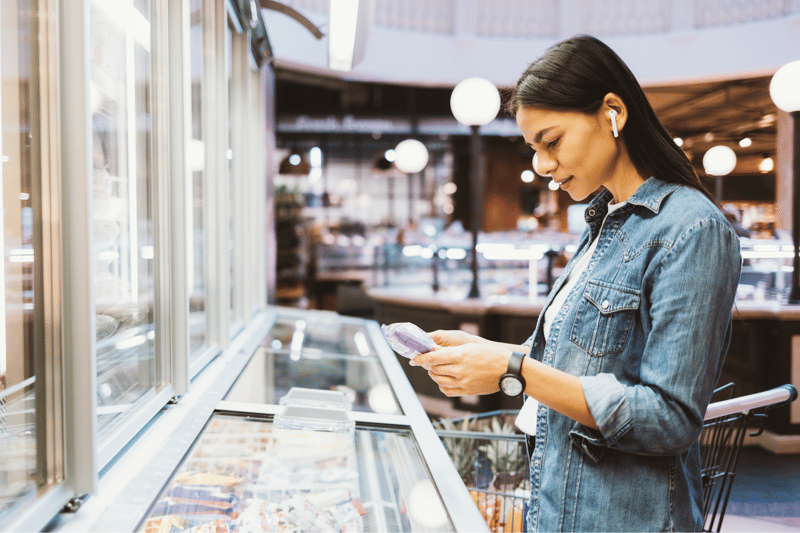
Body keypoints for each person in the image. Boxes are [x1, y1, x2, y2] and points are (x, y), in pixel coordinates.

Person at [410, 35, 742, 532]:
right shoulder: (603, 222)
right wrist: (490, 354)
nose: (541, 165)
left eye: (552, 141)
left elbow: (669, 417)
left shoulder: (692, 229)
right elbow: (578, 355)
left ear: (613, 112)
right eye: (533, 148)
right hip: (563, 507)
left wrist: (515, 369)